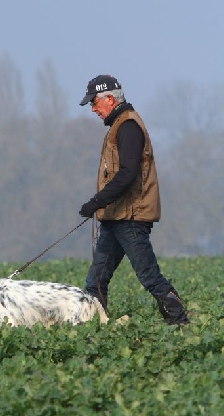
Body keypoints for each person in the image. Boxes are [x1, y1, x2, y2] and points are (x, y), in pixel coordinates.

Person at [78, 74, 189, 325]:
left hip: (130, 217)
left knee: (149, 276)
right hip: (116, 217)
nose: (93, 109)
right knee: (96, 279)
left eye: (94, 102)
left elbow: (127, 174)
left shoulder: (128, 126)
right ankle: (92, 328)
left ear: (109, 98)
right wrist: (101, 205)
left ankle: (181, 324)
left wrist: (97, 201)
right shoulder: (118, 125)